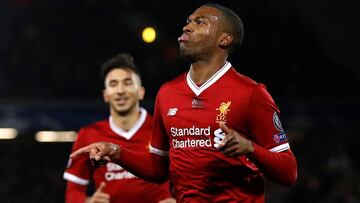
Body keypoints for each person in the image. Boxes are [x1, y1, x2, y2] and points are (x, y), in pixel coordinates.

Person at [71, 4, 297, 202]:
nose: (187, 27)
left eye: (200, 22)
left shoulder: (251, 94)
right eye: (188, 22)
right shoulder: (168, 93)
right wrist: (117, 152)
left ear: (224, 39)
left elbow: (289, 172)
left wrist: (251, 148)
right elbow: (159, 168)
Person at [63, 53, 175, 203]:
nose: (120, 90)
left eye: (127, 82)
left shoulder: (164, 128)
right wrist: (89, 202)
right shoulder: (88, 135)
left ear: (141, 92)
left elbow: (191, 177)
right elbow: (73, 192)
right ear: (105, 95)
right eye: (113, 84)